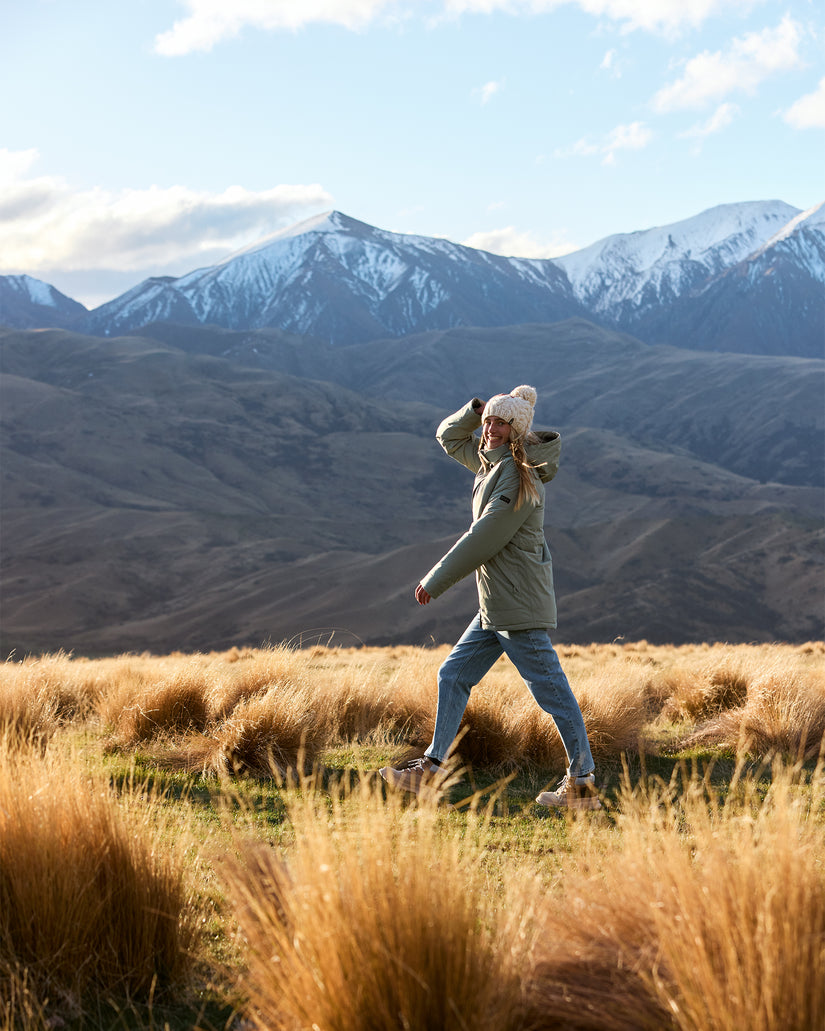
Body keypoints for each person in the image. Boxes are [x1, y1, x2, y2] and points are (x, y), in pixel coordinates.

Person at [380, 385, 600, 810]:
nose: (490, 430)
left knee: (553, 693)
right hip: (495, 605)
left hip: (516, 605)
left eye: (501, 423)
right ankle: (431, 770)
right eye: (488, 423)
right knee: (453, 675)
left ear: (517, 430)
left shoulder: (517, 477)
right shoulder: (490, 463)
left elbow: (485, 536)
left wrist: (435, 579)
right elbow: (448, 436)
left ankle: (582, 783)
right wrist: (476, 410)